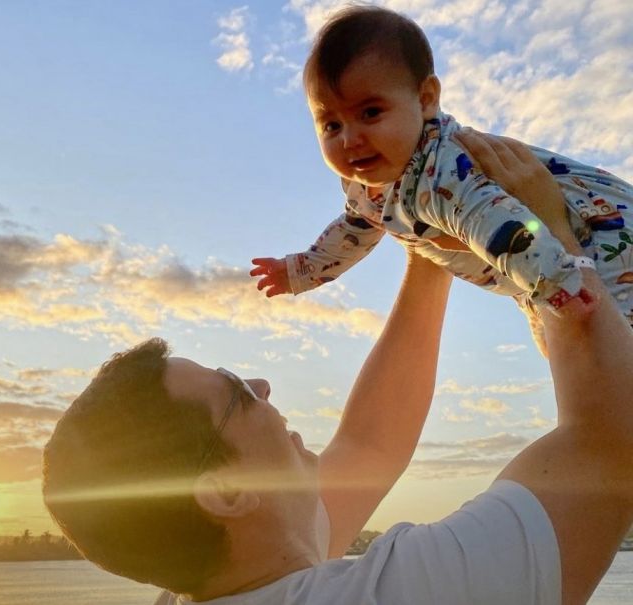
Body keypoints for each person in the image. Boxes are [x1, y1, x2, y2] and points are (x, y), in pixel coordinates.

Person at [42, 133, 633, 604]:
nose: (261, 384)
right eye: (236, 393)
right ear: (225, 491)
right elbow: (611, 444)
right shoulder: (411, 592)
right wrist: (549, 230)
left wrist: (425, 239)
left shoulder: (214, 582)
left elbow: (372, 443)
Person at [251, 5, 633, 356]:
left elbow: (499, 225)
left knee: (603, 352)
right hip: (538, 267)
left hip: (597, 233)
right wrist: (302, 269)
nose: (350, 139)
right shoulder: (365, 186)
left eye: (370, 112)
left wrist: (560, 286)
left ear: (425, 100)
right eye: (331, 124)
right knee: (567, 352)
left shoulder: (440, 171)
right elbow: (354, 230)